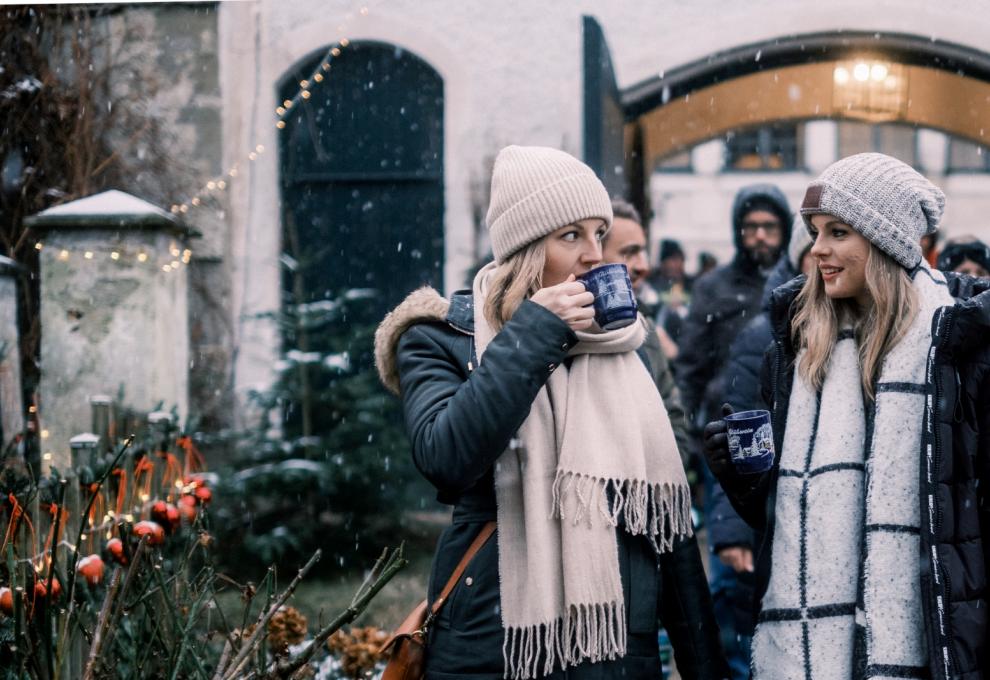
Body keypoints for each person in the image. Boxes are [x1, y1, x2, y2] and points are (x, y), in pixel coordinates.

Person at [375, 145, 727, 679]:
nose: (594, 255)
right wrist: (536, 331)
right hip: (494, 648)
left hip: (615, 648)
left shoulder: (623, 346)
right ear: (526, 247)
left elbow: (665, 521)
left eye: (599, 234)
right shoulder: (440, 337)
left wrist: (706, 667)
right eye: (571, 236)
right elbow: (447, 458)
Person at [703, 152, 990, 679]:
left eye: (837, 232)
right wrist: (745, 483)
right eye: (816, 232)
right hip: (816, 652)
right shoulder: (794, 348)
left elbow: (965, 508)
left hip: (929, 636)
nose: (818, 249)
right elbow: (789, 527)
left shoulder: (957, 346)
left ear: (885, 242)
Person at [704, 225, 815, 680]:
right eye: (812, 249)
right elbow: (740, 423)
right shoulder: (766, 333)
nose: (823, 257)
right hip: (774, 516)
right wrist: (730, 529)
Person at [674, 183, 792, 433]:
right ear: (739, 230)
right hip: (726, 423)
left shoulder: (797, 283)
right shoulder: (712, 287)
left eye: (769, 226)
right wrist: (684, 432)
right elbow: (691, 367)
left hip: (788, 421)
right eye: (751, 226)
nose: (760, 235)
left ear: (784, 229)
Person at [602, 197, 692, 467]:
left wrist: (652, 476)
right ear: (593, 256)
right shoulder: (564, 334)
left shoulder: (644, 328)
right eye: (629, 253)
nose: (643, 266)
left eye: (642, 252)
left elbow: (674, 418)